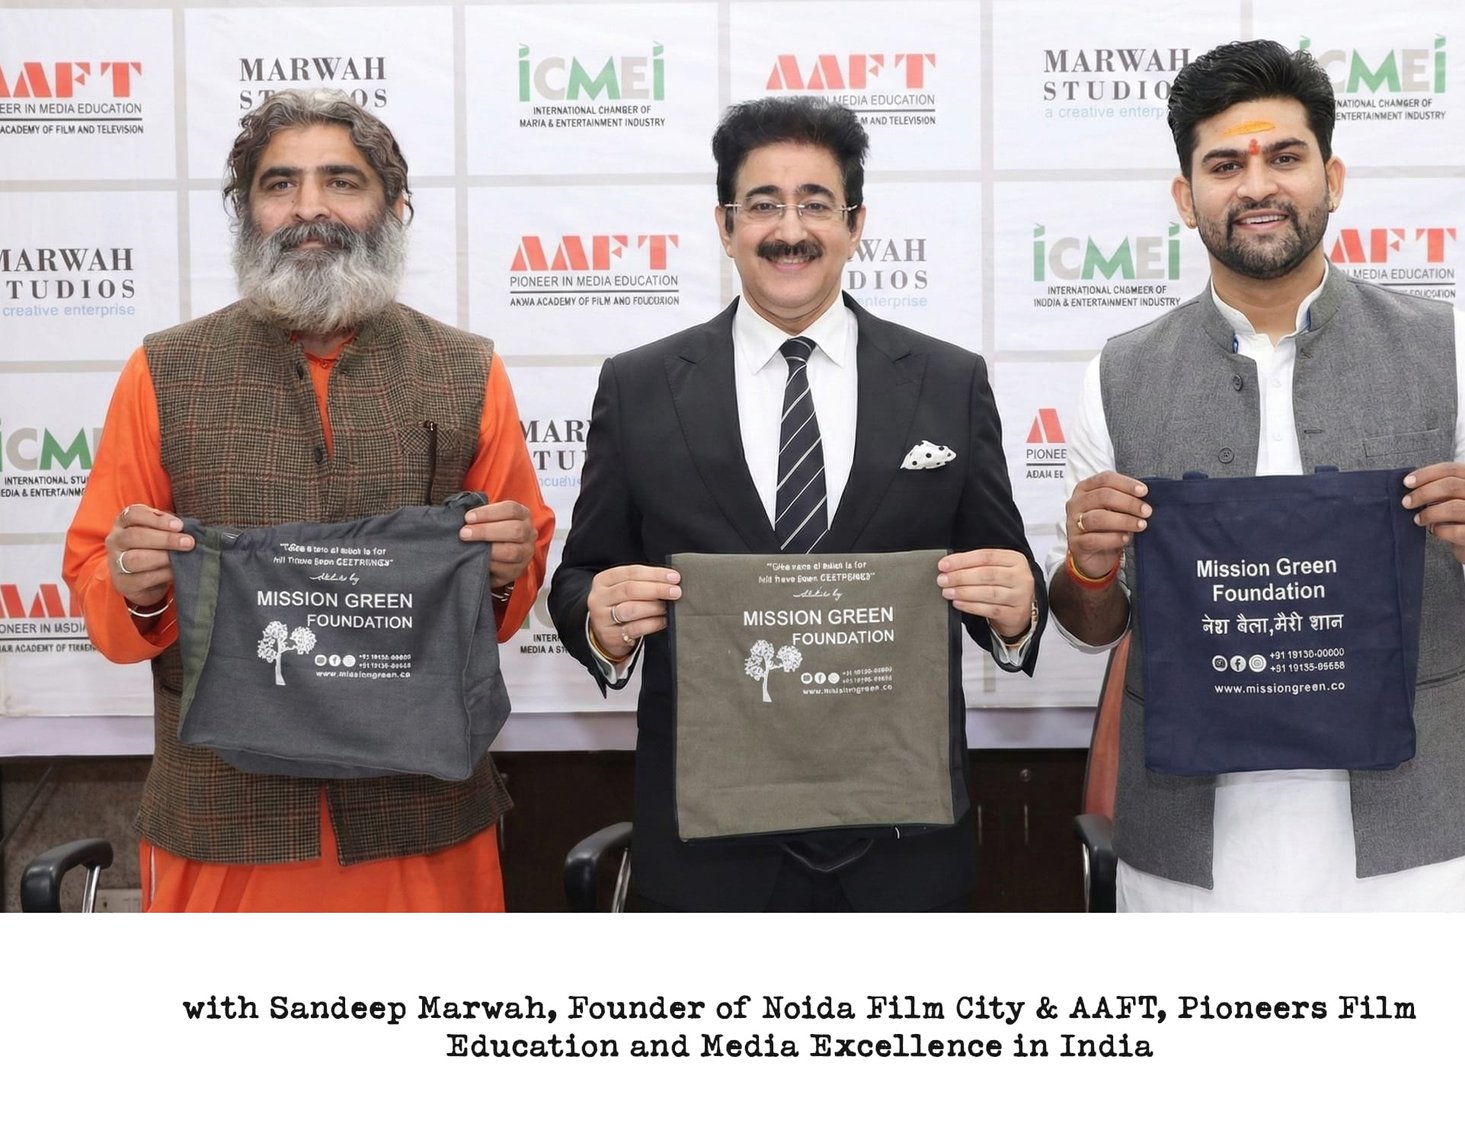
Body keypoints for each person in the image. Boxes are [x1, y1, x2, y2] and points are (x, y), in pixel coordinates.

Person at [1049, 40, 1465, 911]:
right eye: (1226, 165)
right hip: (1194, 860)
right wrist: (1089, 567)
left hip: (1422, 854)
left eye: (1285, 158)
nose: (1257, 186)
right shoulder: (1119, 375)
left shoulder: (1448, 347)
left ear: (1331, 179)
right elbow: (1088, 624)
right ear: (1185, 197)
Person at [62, 89, 555, 912]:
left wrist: (505, 570)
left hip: (423, 822)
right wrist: (137, 588)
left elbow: (511, 598)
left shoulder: (469, 370)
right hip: (221, 827)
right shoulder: (163, 372)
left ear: (394, 208)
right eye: (280, 184)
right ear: (246, 211)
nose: (310, 208)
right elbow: (99, 591)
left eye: (342, 181)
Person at [550, 95, 1045, 911]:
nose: (790, 230)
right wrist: (599, 620)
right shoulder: (639, 387)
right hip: (709, 853)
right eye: (763, 205)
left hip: (902, 845)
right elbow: (580, 577)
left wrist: (1018, 610)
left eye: (816, 204)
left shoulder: (949, 381)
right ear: (725, 225)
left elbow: (1004, 566)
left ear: (855, 224)